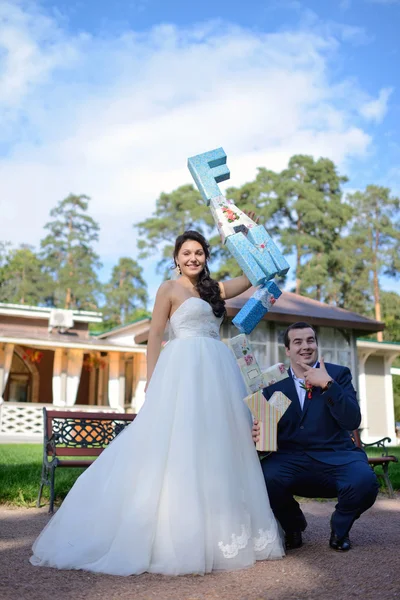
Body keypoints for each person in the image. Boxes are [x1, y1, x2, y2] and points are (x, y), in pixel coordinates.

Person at [30, 230, 284, 576]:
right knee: (176, 442)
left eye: (198, 253)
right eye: (186, 253)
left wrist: (243, 234)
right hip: (183, 368)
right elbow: (155, 335)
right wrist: (152, 377)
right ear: (176, 257)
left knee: (220, 444)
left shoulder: (214, 290)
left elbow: (254, 275)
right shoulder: (168, 289)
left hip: (218, 371)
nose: (192, 258)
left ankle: (220, 529)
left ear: (206, 256)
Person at [252, 322, 379, 552]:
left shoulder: (338, 375)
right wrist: (258, 436)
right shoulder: (274, 385)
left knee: (365, 482)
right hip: (292, 460)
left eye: (310, 340)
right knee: (263, 476)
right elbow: (265, 444)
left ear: (316, 345)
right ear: (288, 350)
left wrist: (328, 385)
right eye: (298, 342)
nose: (306, 346)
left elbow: (352, 421)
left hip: (337, 457)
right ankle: (293, 526)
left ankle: (340, 527)